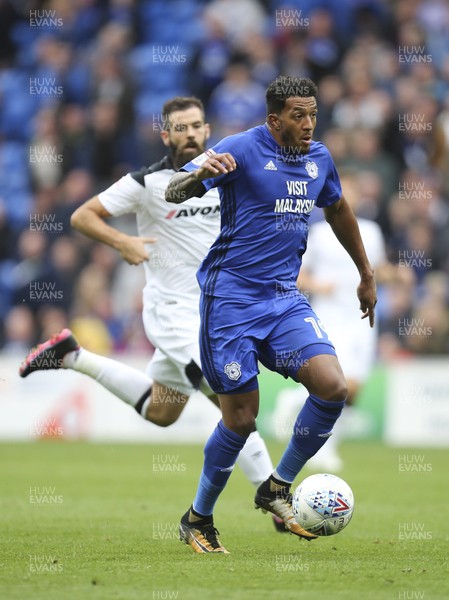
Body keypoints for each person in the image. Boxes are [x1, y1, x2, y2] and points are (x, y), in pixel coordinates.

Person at [19, 97, 282, 530]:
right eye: (181, 128)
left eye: (197, 125)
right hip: (175, 314)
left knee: (162, 411)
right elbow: (83, 216)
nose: (191, 134)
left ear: (208, 128)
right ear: (166, 134)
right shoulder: (146, 182)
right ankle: (274, 498)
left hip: (220, 310)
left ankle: (71, 355)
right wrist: (122, 242)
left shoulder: (228, 173)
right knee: (233, 404)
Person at [166, 76, 377, 554]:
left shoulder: (318, 158)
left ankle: (277, 486)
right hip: (231, 302)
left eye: (313, 114)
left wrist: (365, 273)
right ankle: (198, 517)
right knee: (241, 419)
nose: (308, 124)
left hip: (284, 299)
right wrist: (199, 175)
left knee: (333, 388)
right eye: (298, 116)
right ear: (273, 119)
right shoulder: (239, 148)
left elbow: (339, 207)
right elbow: (173, 192)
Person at [292, 170, 413, 471]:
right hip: (329, 317)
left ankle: (296, 401)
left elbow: (377, 270)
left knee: (353, 392)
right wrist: (320, 286)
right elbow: (297, 275)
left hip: (363, 318)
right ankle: (324, 448)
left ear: (359, 196)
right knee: (339, 384)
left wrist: (397, 274)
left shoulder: (370, 231)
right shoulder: (318, 233)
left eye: (350, 191)